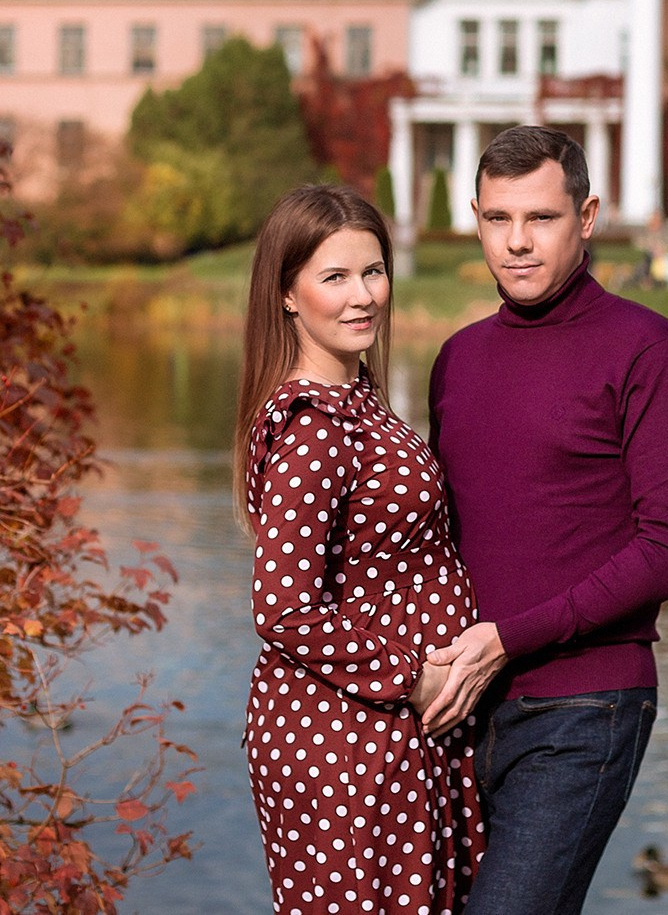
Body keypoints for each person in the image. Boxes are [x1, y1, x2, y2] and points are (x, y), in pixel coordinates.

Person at [421, 126, 668, 915]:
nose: (516, 242)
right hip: (462, 703)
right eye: (498, 218)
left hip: (585, 707)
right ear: (476, 219)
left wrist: (511, 637)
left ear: (586, 218)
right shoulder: (457, 359)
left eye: (541, 218)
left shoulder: (647, 350)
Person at [234, 184, 484, 914]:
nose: (362, 296)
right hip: (347, 735)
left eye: (373, 272)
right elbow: (282, 610)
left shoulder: (358, 400)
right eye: (335, 277)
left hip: (389, 730)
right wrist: (414, 679)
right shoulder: (312, 426)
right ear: (287, 295)